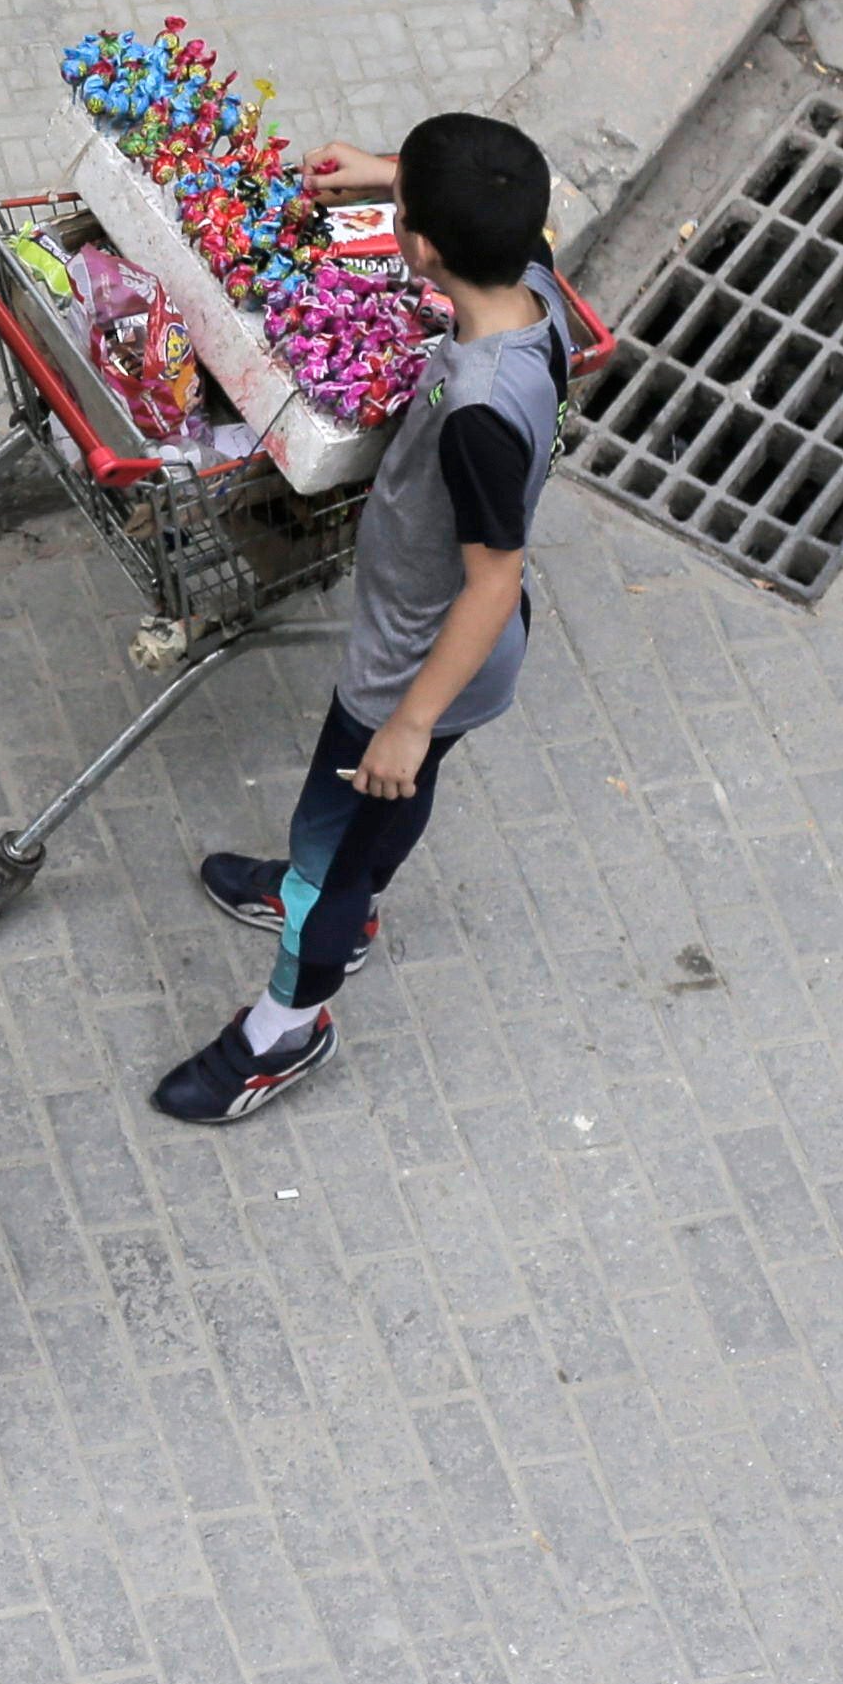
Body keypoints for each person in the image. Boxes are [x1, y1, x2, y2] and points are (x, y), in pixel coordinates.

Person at [154, 110, 574, 1123]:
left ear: (421, 248)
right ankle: (352, 897)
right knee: (386, 810)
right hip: (470, 658)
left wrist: (408, 718)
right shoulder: (538, 288)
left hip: (414, 667)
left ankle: (283, 1030)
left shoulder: (479, 410)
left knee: (334, 839)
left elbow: (491, 577)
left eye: (404, 208)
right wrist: (391, 176)